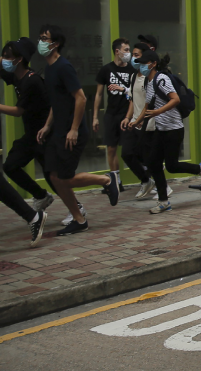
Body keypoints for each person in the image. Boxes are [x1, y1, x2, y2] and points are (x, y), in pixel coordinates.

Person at [35, 24, 120, 235]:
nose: (41, 42)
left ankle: (107, 180)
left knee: (64, 178)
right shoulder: (49, 68)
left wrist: (73, 129)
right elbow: (57, 102)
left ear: (56, 44)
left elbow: (81, 98)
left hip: (72, 133)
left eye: (45, 38)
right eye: (41, 38)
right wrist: (47, 125)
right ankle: (79, 219)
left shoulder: (64, 67)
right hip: (58, 131)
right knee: (54, 177)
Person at [133, 50, 201, 213]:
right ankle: (163, 201)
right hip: (161, 130)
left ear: (153, 64)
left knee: (172, 166)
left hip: (174, 129)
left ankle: (200, 169)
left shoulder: (162, 79)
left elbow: (176, 99)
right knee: (154, 163)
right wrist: (136, 122)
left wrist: (158, 112)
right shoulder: (149, 82)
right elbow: (147, 107)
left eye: (144, 63)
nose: (141, 66)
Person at [1, 38, 54, 214]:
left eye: (7, 56)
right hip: (31, 135)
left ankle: (77, 209)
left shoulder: (32, 81)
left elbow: (18, 111)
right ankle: (41, 195)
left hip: (45, 134)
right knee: (10, 166)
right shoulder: (16, 74)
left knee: (54, 177)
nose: (4, 60)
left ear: (20, 59)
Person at [92, 37, 134, 194]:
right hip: (111, 114)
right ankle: (116, 182)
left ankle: (146, 176)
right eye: (126, 50)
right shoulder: (106, 70)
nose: (128, 53)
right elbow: (98, 95)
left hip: (126, 114)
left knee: (129, 150)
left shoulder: (131, 70)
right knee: (111, 148)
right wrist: (95, 117)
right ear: (117, 51)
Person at [119, 41, 156, 201]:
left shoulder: (151, 77)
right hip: (135, 122)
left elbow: (151, 103)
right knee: (126, 153)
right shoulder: (134, 76)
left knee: (148, 157)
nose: (133, 58)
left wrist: (142, 119)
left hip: (148, 123)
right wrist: (128, 117)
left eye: (136, 55)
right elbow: (133, 100)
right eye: (132, 55)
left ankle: (163, 187)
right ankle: (146, 180)